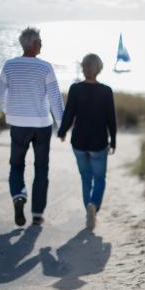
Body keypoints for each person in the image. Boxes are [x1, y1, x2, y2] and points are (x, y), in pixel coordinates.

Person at [0, 27, 64, 226]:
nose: (41, 44)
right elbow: (55, 99)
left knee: (16, 165)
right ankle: (37, 214)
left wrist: (9, 109)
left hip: (18, 125)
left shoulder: (9, 65)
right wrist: (61, 125)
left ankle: (19, 195)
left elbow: (0, 91)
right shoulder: (45, 67)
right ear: (33, 44)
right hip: (42, 125)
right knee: (41, 168)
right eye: (40, 41)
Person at [57, 53, 116, 231]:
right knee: (99, 178)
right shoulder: (106, 91)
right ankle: (94, 205)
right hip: (99, 143)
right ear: (99, 69)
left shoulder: (75, 89)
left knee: (85, 178)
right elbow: (111, 119)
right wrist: (113, 141)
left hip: (79, 142)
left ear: (83, 68)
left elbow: (68, 114)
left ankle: (88, 210)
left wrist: (62, 132)